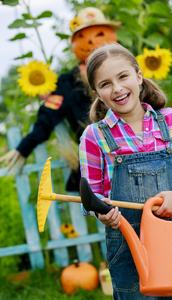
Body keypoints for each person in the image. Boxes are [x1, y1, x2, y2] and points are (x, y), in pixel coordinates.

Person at [79, 43, 172, 299]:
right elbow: (91, 197)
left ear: (139, 76)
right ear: (97, 93)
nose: (118, 88)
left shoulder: (171, 121)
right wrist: (103, 213)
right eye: (106, 84)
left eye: (123, 76)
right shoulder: (95, 136)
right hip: (127, 245)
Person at [0, 7, 121, 192]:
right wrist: (23, 147)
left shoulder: (126, 71)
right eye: (81, 36)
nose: (91, 41)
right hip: (96, 159)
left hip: (133, 151)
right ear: (73, 43)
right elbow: (47, 117)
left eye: (100, 33)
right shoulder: (66, 84)